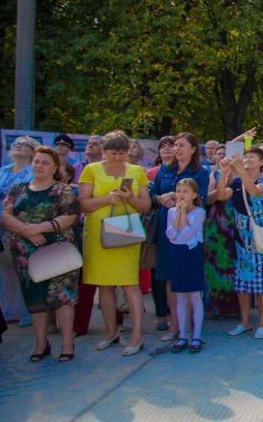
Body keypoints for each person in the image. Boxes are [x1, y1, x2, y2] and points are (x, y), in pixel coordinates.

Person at [0, 146, 80, 361]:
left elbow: (70, 217)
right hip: (26, 252)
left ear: (55, 167)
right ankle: (40, 343)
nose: (40, 166)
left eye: (45, 162)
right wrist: (26, 230)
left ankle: (66, 343)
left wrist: (40, 227)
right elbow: (5, 215)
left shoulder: (63, 190)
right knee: (35, 299)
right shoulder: (18, 189)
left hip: (57, 249)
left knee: (62, 297)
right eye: (36, 161)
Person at [78, 130, 152, 356]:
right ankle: (111, 332)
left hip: (125, 233)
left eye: (121, 153)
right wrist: (106, 199)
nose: (118, 158)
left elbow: (145, 206)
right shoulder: (90, 170)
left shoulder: (137, 171)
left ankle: (137, 336)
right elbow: (83, 204)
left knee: (130, 284)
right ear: (103, 151)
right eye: (113, 153)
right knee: (104, 285)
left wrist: (129, 197)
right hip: (98, 233)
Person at [149, 133, 211, 341]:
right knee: (168, 277)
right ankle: (175, 326)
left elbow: (201, 199)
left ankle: (193, 328)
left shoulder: (201, 172)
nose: (177, 149)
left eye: (182, 145)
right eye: (175, 145)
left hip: (190, 233)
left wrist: (175, 197)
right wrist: (160, 198)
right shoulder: (164, 170)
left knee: (190, 284)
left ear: (193, 149)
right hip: (167, 228)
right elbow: (153, 195)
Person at [217, 148, 263, 339]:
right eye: (246, 157)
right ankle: (244, 322)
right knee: (242, 282)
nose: (247, 160)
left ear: (262, 162)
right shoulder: (236, 182)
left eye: (252, 157)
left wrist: (238, 169)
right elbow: (220, 195)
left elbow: (254, 191)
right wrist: (224, 171)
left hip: (261, 237)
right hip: (241, 239)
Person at [0, 135, 36, 327]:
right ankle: (8, 310)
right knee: (3, 271)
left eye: (24, 144)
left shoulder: (33, 172)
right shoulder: (1, 171)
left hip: (21, 226)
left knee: (24, 270)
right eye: (16, 144)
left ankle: (27, 312)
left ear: (32, 150)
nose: (19, 146)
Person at [165, 179, 206, 354]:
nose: (181, 194)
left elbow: (189, 233)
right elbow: (171, 235)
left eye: (186, 191)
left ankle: (196, 335)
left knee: (194, 295)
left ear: (194, 195)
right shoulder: (171, 211)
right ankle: (183, 335)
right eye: (178, 190)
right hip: (177, 253)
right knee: (180, 296)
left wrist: (182, 215)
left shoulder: (199, 212)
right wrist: (178, 214)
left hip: (192, 254)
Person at [204, 154, 239, 318]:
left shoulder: (242, 174)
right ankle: (214, 305)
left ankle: (234, 307)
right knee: (214, 264)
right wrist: (223, 175)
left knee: (235, 265)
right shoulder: (215, 174)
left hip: (237, 224)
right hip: (216, 226)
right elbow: (212, 198)